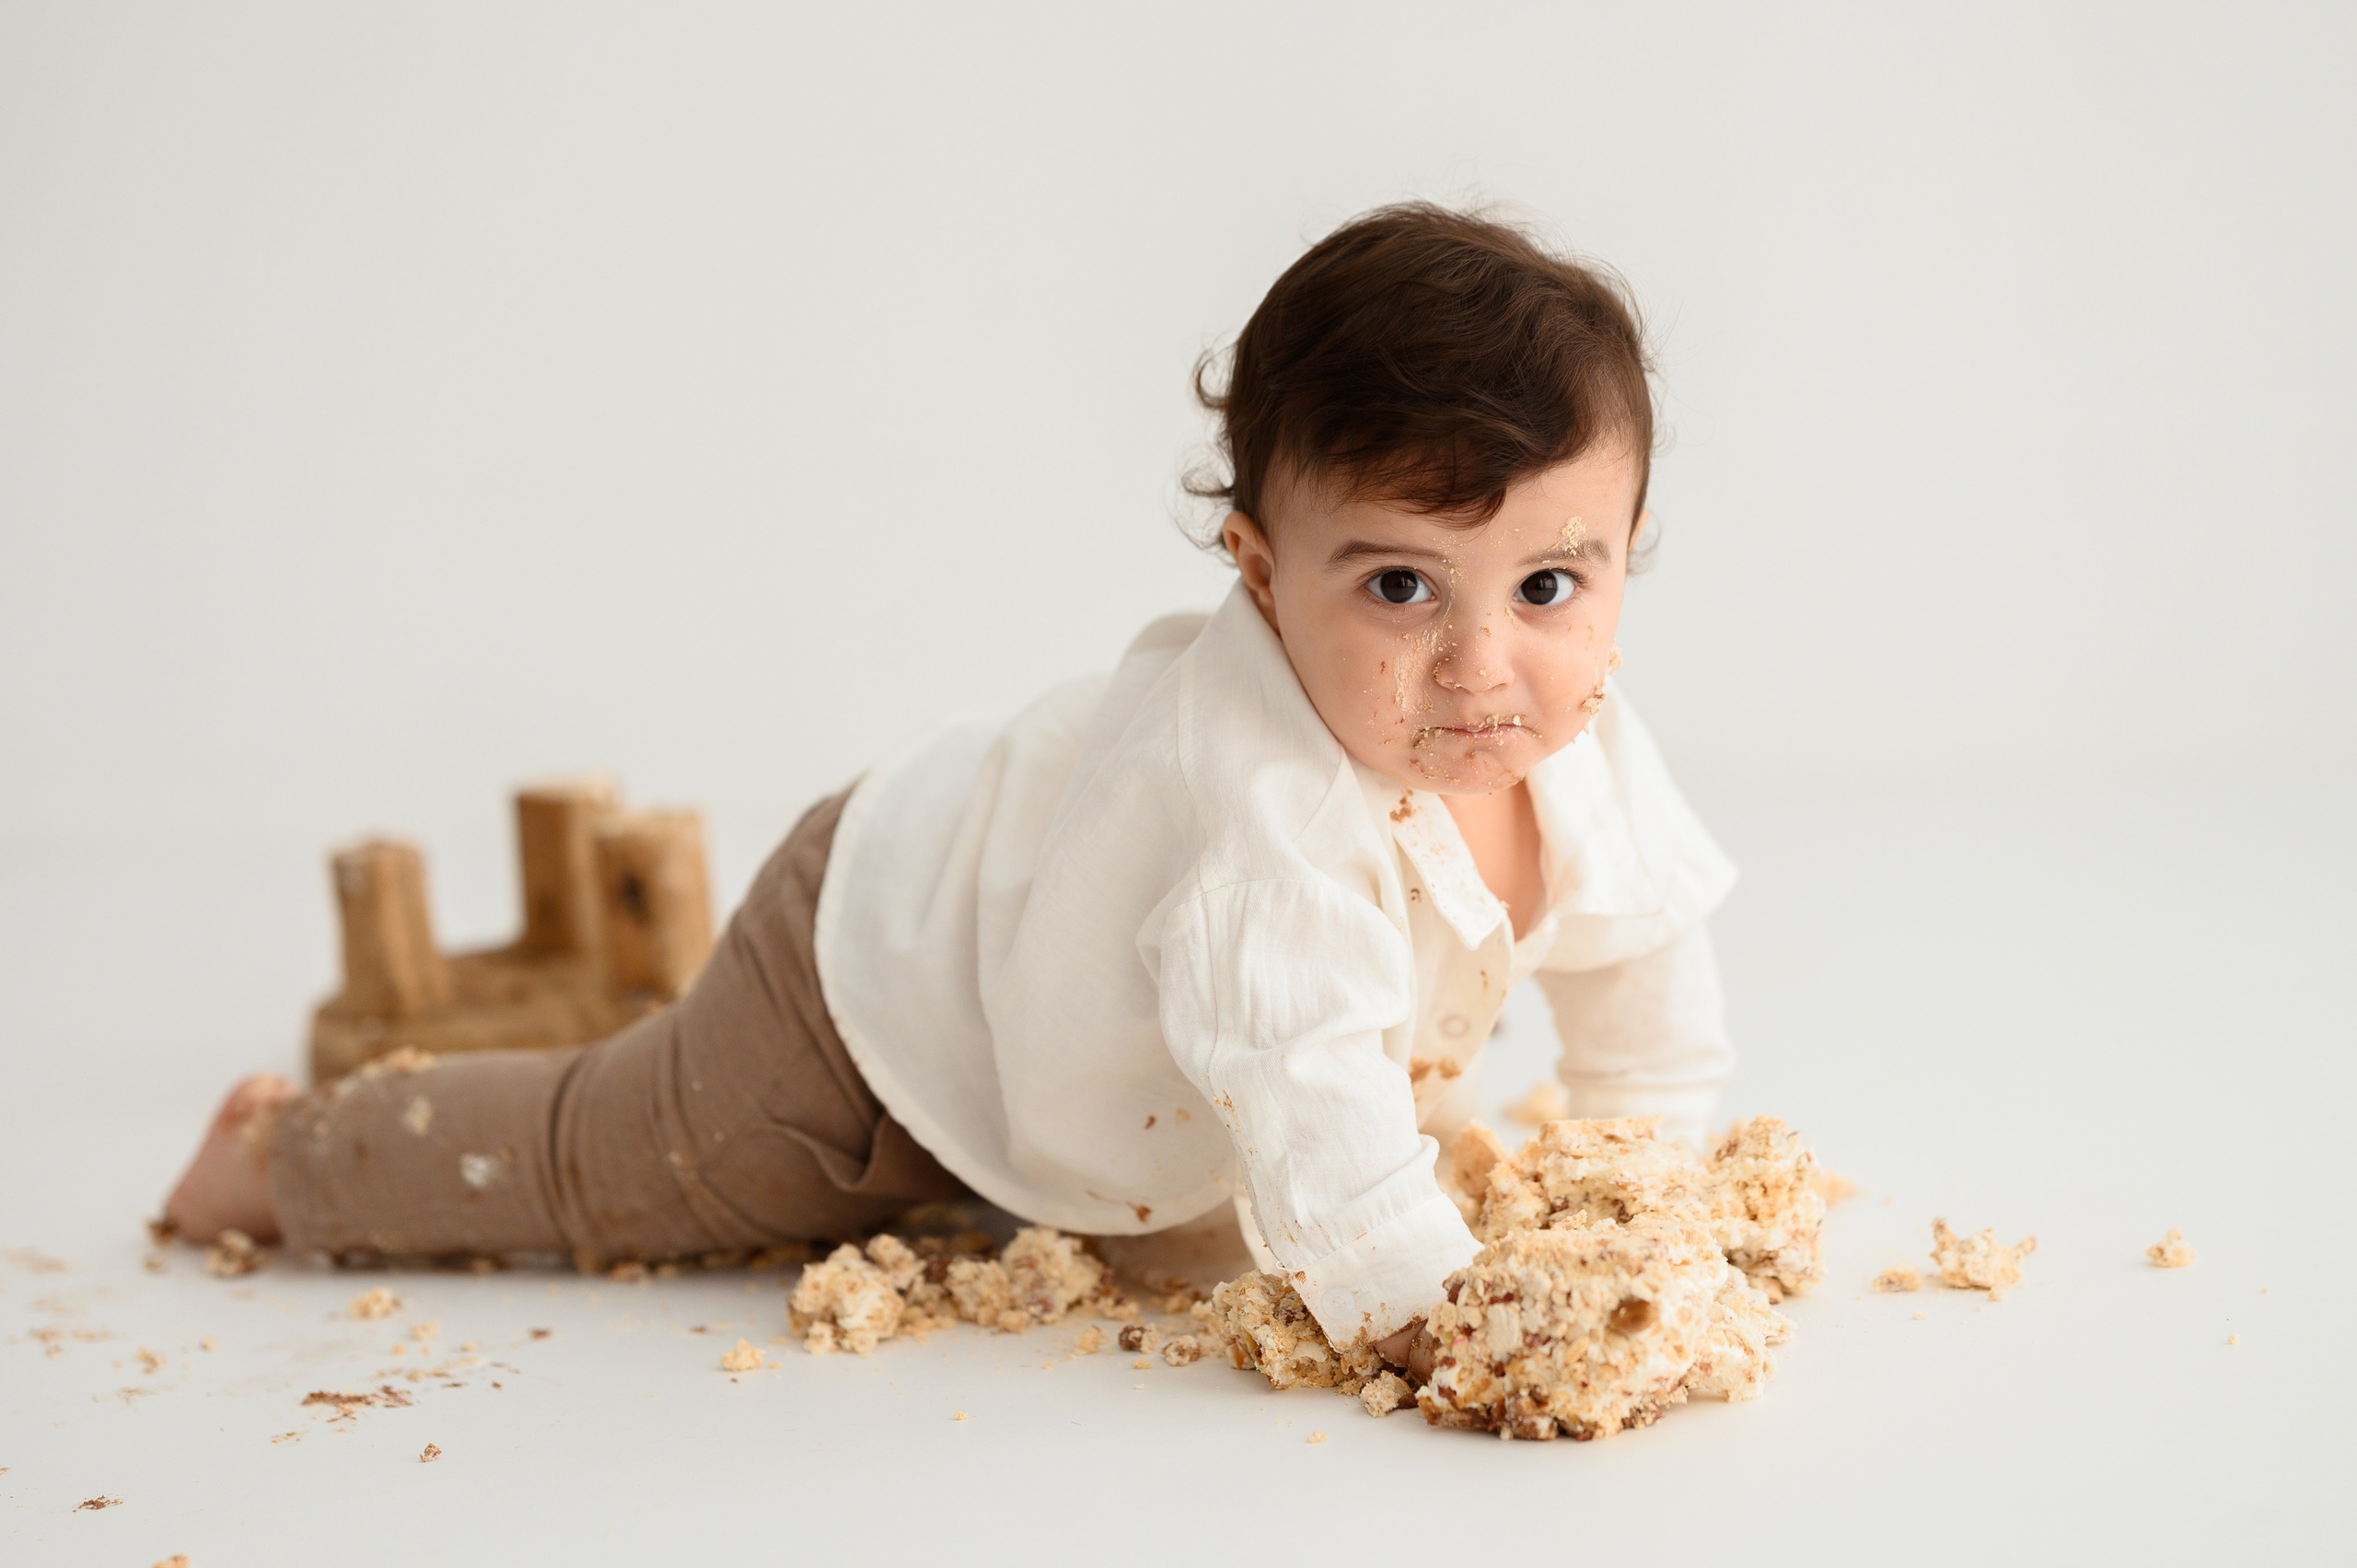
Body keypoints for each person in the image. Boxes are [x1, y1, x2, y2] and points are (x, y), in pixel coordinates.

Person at [165, 202, 1736, 1373]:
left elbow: (1645, 956)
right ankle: (285, 1160)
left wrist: (1641, 1192)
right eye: (1398, 587)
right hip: (871, 990)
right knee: (630, 1165)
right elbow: (1308, 1072)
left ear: (1622, 559)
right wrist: (1436, 1319)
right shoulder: (1264, 806)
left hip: (1060, 1059)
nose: (1479, 664)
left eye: (1545, 586)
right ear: (1259, 576)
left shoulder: (1577, 742)